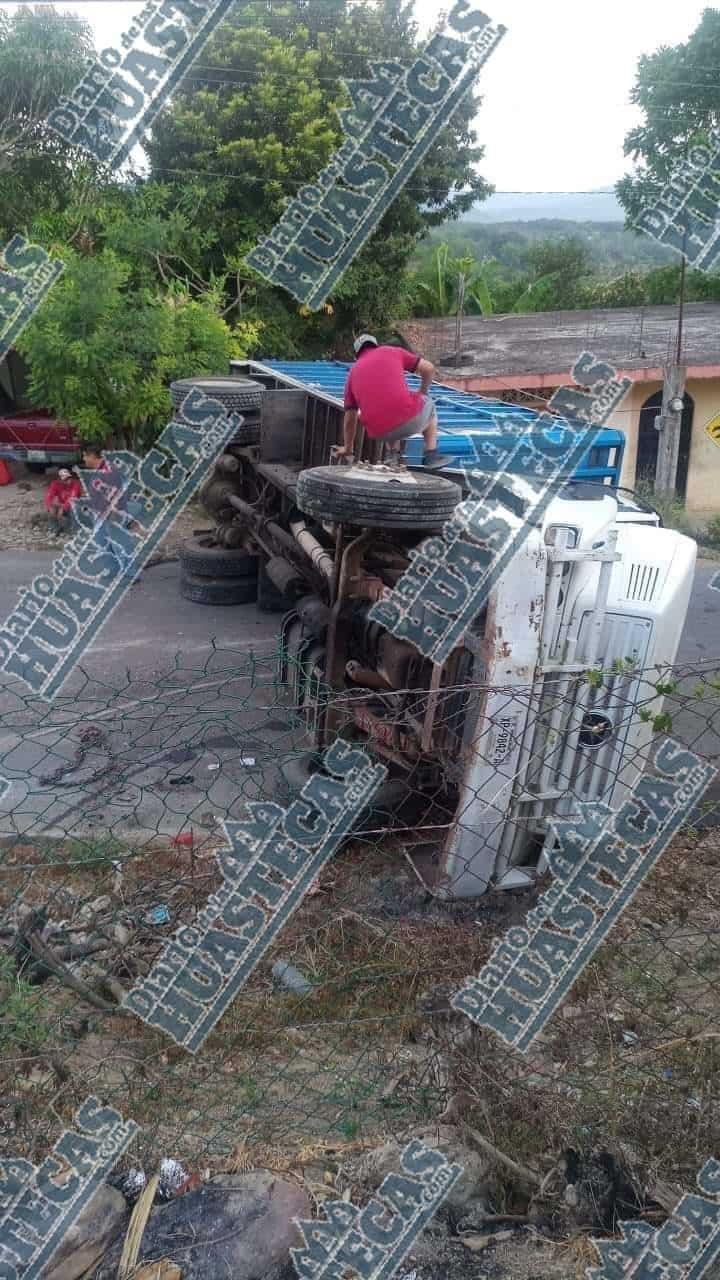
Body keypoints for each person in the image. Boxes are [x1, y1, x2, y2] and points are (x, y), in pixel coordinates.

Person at [338, 335, 455, 470]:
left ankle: (392, 456)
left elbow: (349, 418)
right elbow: (428, 368)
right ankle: (431, 455)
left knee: (387, 410)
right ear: (376, 345)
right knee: (429, 404)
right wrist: (423, 391)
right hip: (406, 419)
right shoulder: (391, 351)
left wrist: (348, 448)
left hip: (378, 432)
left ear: (356, 355)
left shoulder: (352, 373)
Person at [44, 467, 81, 538]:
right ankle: (55, 529)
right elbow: (49, 496)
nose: (68, 481)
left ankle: (74, 530)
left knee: (73, 509)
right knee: (51, 509)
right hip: (63, 504)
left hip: (75, 506)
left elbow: (72, 498)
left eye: (69, 478)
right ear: (59, 480)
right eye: (65, 479)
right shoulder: (55, 484)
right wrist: (49, 506)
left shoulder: (75, 484)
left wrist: (63, 508)